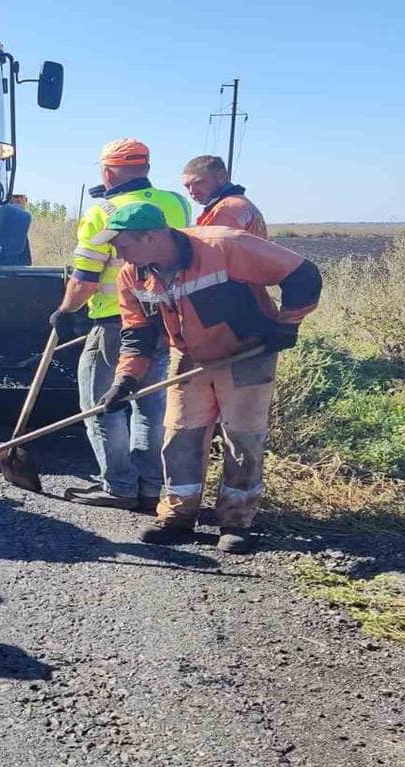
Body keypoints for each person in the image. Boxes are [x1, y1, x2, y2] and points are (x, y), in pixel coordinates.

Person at [97, 203, 321, 553]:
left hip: (247, 354)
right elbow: (137, 333)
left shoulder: (223, 246)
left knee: (242, 440)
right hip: (189, 356)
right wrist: (125, 380)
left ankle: (235, 523)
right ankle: (177, 517)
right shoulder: (133, 275)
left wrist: (287, 324)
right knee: (180, 435)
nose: (117, 252)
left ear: (152, 236)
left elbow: (303, 275)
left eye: (123, 244)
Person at [49, 139, 192, 512]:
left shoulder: (103, 213)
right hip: (169, 319)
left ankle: (118, 487)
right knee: (150, 405)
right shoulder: (176, 203)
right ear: (145, 166)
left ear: (108, 171)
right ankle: (149, 487)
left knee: (101, 404)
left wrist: (65, 311)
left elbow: (86, 278)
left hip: (117, 323)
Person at [182, 155, 267, 237]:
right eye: (187, 186)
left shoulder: (228, 209)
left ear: (221, 177)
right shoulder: (241, 204)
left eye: (198, 182)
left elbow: (210, 246)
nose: (192, 191)